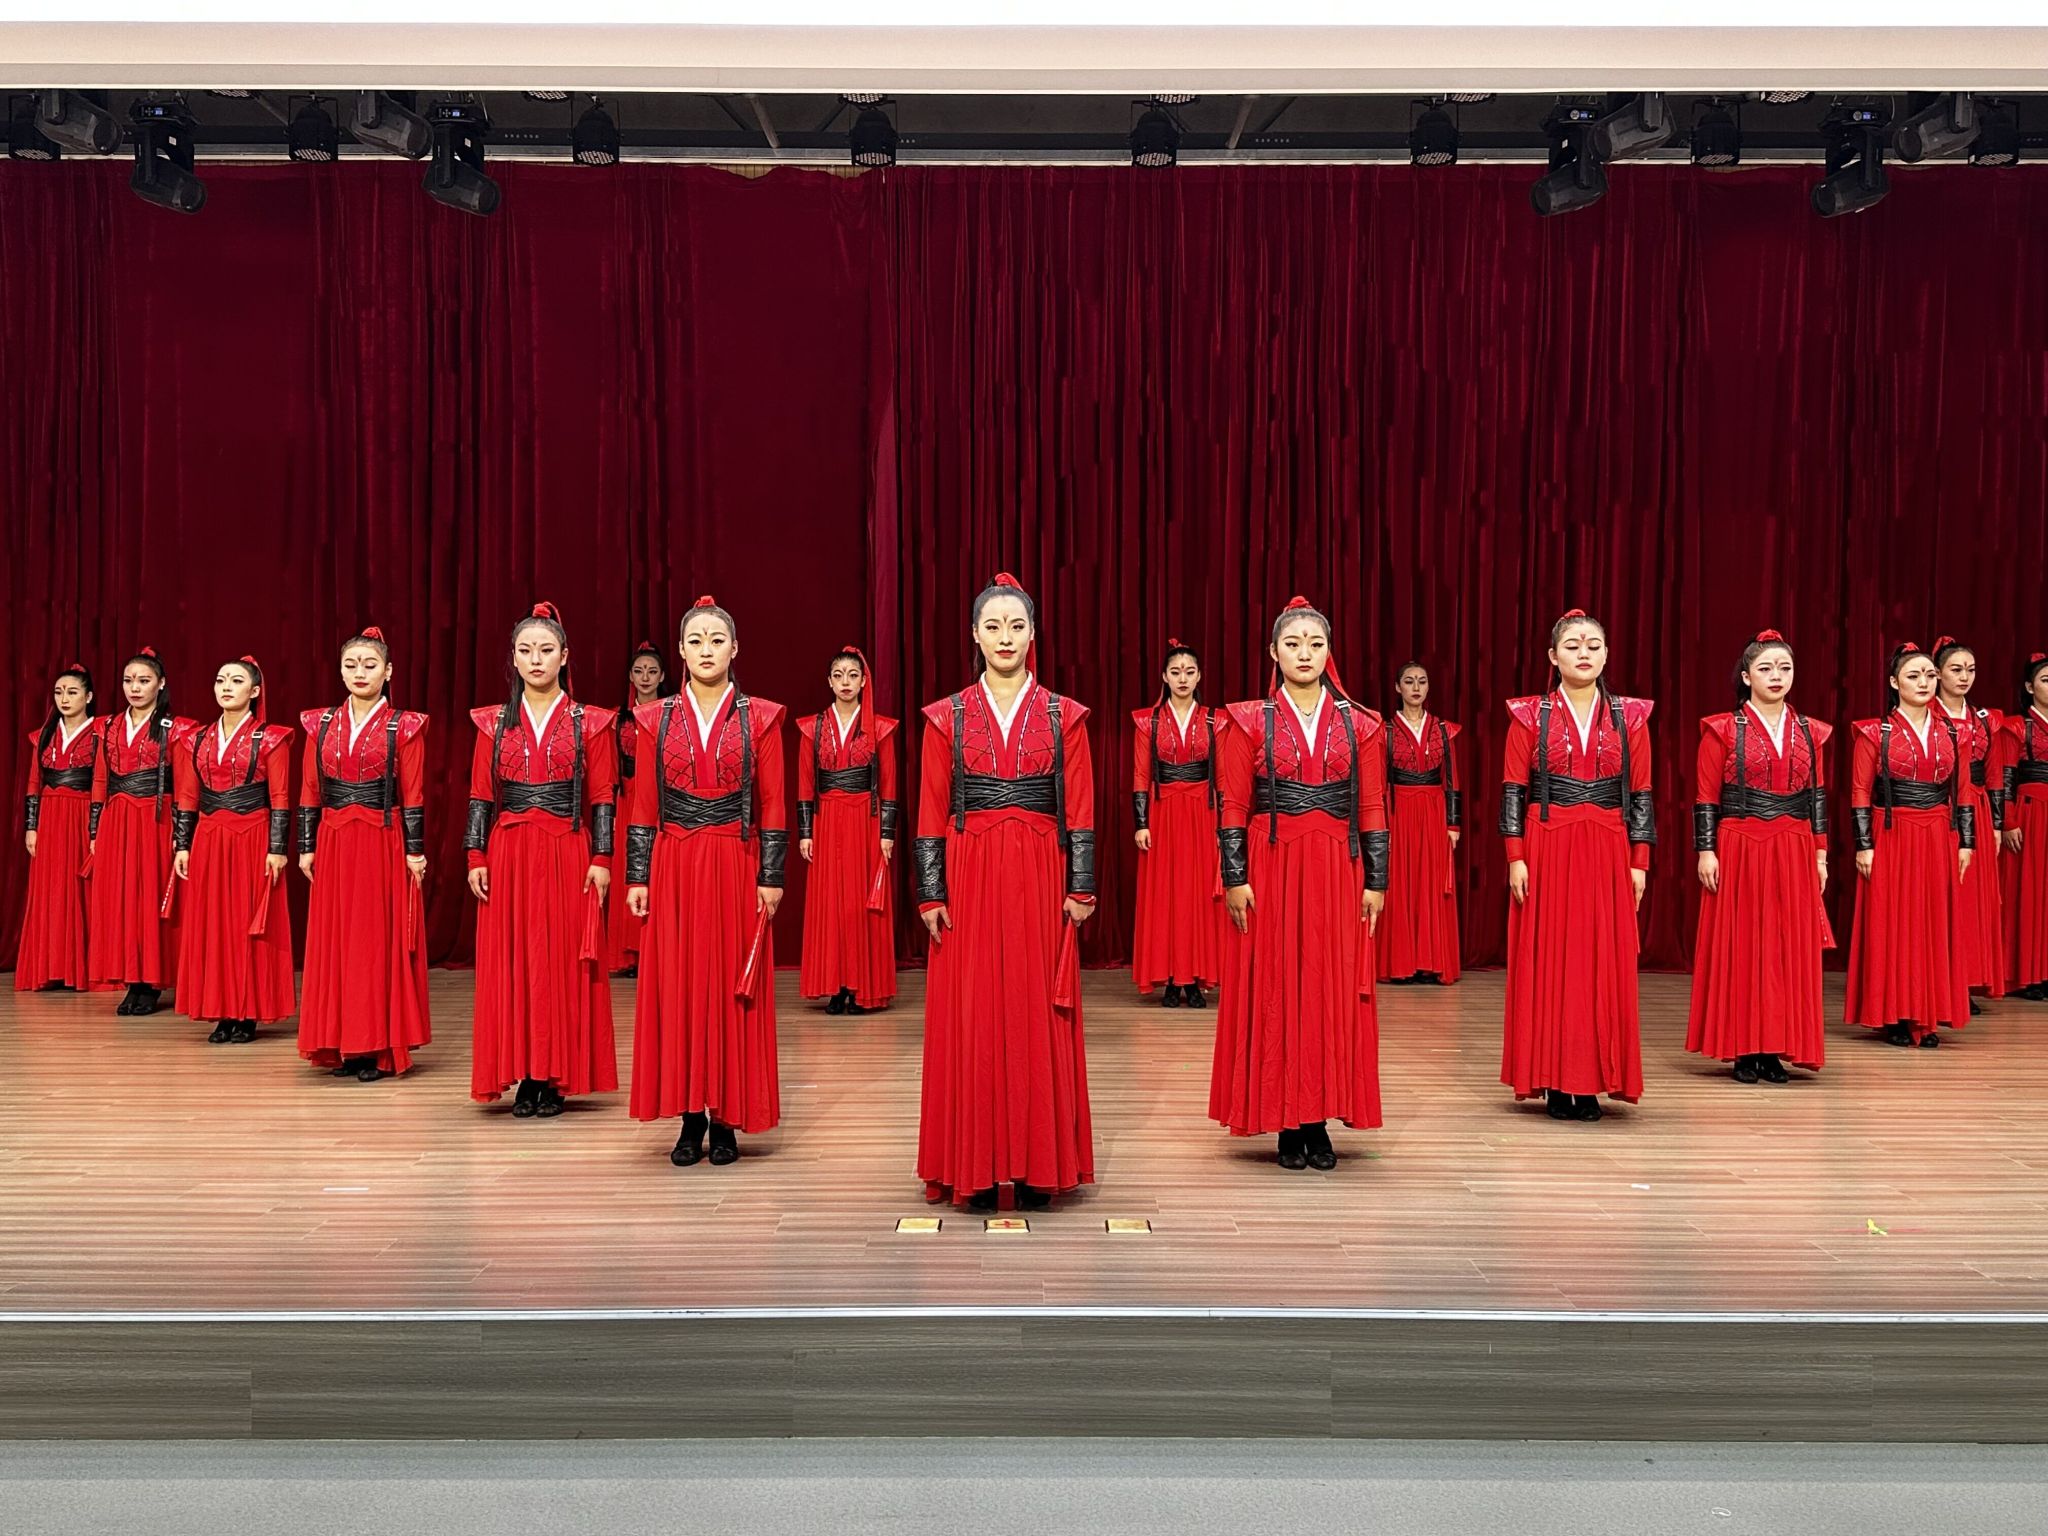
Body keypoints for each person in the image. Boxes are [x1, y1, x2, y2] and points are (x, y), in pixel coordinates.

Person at [914, 573, 1096, 1211]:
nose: (1005, 637)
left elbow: (1080, 807)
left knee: (1036, 1011)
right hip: (969, 871)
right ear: (974, 635)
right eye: (992, 626)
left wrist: (1081, 884)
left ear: (1033, 633)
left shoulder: (1064, 714)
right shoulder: (947, 716)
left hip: (1042, 872)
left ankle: (1039, 1165)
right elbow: (931, 807)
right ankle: (977, 1164)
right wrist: (930, 892)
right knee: (973, 1013)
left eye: (1016, 625)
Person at [1211, 598, 1389, 1171]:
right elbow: (1233, 805)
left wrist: (1377, 879)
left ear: (1329, 651)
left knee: (1328, 989)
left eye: (1315, 643)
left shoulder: (1361, 723)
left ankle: (1319, 1120)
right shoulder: (1246, 720)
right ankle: (1288, 1124)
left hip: (1338, 867)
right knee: (1277, 986)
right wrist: (1234, 876)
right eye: (1292, 643)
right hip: (1271, 866)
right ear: (1273, 652)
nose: (1304, 653)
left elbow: (1372, 805)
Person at [625, 598, 787, 1166]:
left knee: (731, 988)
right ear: (681, 650)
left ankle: (727, 1121)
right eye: (695, 641)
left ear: (735, 648)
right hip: (673, 862)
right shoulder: (655, 718)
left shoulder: (761, 717)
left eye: (717, 640)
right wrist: (638, 875)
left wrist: (771, 874)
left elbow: (773, 801)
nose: (706, 650)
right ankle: (689, 1117)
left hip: (736, 862)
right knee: (680, 987)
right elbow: (644, 802)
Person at [465, 603, 619, 1116]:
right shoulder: (491, 722)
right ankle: (524, 1074)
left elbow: (603, 796)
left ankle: (554, 1076)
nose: (536, 660)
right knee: (513, 963)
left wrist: (602, 857)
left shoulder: (590, 722)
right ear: (512, 657)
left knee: (560, 962)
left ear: (564, 656)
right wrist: (475, 854)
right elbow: (480, 795)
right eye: (526, 650)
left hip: (567, 850)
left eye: (546, 650)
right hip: (508, 852)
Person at [1500, 609, 1654, 1121]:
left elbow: (1641, 794)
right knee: (1549, 961)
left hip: (1608, 844)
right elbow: (1513, 790)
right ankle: (1553, 1078)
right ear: (1552, 656)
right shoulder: (1529, 715)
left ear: (1606, 655)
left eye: (1592, 645)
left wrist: (1639, 860)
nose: (1583, 652)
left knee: (1600, 963)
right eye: (1572, 645)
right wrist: (1515, 856)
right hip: (1547, 843)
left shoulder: (1631, 717)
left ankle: (1590, 1083)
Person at [1685, 630, 1832, 1083]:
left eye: (1785, 668)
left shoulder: (1810, 731)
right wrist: (1706, 850)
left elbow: (1817, 797)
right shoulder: (1722, 729)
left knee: (1787, 947)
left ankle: (1775, 1048)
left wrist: (1821, 853)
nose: (1776, 676)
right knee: (1744, 945)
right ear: (1747, 677)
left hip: (1794, 843)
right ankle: (1744, 1049)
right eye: (1765, 668)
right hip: (1740, 842)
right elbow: (1706, 796)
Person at [296, 627, 430, 1081]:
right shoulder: (320, 724)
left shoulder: (405, 725)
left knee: (374, 943)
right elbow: (310, 789)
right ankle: (344, 1044)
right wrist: (306, 846)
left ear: (388, 671)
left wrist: (415, 851)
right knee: (336, 941)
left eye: (370, 665)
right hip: (334, 838)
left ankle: (375, 1046)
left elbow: (413, 793)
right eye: (351, 665)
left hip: (381, 838)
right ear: (339, 671)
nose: (360, 672)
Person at [1846, 642, 1972, 1047]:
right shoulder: (1874, 732)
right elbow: (1860, 791)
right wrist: (1864, 844)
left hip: (1938, 832)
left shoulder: (1954, 732)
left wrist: (1966, 842)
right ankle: (1895, 1015)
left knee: (1932, 921)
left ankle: (1927, 1015)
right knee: (1893, 921)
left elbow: (1963, 791)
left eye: (1930, 675)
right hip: (1892, 832)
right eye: (1913, 675)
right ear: (1893, 682)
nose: (1924, 682)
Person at [170, 656, 294, 1043]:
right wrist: (183, 844)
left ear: (254, 691)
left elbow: (280, 797)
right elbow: (187, 796)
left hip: (253, 835)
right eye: (221, 679)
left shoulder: (272, 738)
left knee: (246, 922)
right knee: (213, 922)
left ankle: (248, 1012)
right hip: (209, 836)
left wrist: (277, 847)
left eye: (236, 681)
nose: (226, 686)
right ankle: (222, 1010)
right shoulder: (195, 739)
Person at [796, 645, 897, 1016]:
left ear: (864, 681)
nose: (845, 682)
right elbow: (805, 782)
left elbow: (889, 785)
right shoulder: (812, 727)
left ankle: (861, 987)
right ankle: (836, 987)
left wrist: (887, 833)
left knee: (859, 905)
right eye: (838, 675)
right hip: (826, 820)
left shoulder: (880, 728)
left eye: (853, 675)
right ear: (829, 681)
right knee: (831, 905)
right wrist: (805, 831)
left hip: (865, 821)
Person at [87, 648, 187, 1015]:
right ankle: (132, 980)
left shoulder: (176, 728)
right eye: (129, 680)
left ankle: (152, 983)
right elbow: (100, 780)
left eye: (144, 681)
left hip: (156, 819)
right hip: (117, 818)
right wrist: (95, 829)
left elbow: (184, 785)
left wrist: (182, 833)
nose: (135, 687)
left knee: (149, 897)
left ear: (160, 684)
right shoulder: (107, 726)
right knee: (122, 899)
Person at [1130, 639, 1222, 1007]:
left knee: (1198, 896)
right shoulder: (1147, 721)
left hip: (1203, 814)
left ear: (1199, 676)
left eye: (1189, 671)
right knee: (1165, 896)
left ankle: (1196, 979)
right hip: (1162, 813)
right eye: (1175, 672)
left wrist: (1225, 827)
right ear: (1164, 677)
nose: (1182, 678)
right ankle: (1170, 978)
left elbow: (1225, 779)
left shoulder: (1216, 720)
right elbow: (1141, 774)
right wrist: (1141, 822)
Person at [1376, 660, 1463, 987]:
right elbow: (1379, 782)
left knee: (1431, 884)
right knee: (1399, 883)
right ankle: (1401, 964)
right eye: (1409, 681)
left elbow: (1452, 779)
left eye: (1422, 681)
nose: (1416, 687)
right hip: (1398, 812)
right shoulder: (1384, 731)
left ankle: (1431, 963)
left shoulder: (1443, 730)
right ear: (1398, 687)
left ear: (1428, 687)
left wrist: (1453, 824)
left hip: (1434, 811)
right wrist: (1380, 825)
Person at [16, 664, 97, 992]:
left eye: (72, 692)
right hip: (49, 816)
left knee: (81, 888)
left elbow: (102, 784)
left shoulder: (100, 733)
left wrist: (96, 828)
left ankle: (83, 968)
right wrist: (31, 826)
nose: (64, 698)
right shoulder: (43, 736)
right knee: (51, 888)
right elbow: (33, 783)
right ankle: (51, 967)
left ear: (88, 697)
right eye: (59, 692)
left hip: (81, 813)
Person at [1933, 638, 2005, 1010]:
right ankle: (1942, 982)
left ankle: (1965, 981)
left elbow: (1994, 774)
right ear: (1937, 673)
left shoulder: (1985, 720)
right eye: (1956, 669)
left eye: (1970, 670)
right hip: (1940, 808)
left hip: (1976, 806)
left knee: (1973, 899)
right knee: (1945, 895)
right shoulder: (1926, 714)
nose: (1964, 677)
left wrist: (1997, 823)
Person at [607, 640, 666, 977]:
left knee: (658, 874)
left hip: (662, 805)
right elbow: (611, 768)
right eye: (639, 671)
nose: (645, 677)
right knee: (629, 875)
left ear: (661, 677)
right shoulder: (618, 718)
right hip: (628, 801)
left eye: (652, 671)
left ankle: (657, 950)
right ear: (631, 676)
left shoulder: (671, 714)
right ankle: (631, 953)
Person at [1995, 653, 2048, 1002]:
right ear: (2029, 687)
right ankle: (2025, 975)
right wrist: (2009, 820)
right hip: (2031, 815)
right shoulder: (2016, 726)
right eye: (2046, 680)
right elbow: (2004, 778)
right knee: (2027, 894)